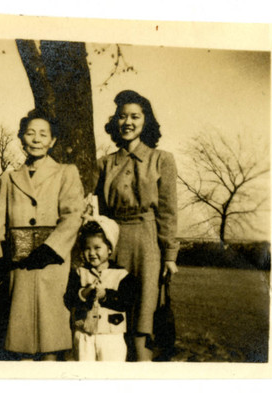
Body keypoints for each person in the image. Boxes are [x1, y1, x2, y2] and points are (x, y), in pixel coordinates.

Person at [0, 109, 84, 360]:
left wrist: (51, 248)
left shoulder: (66, 172)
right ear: (21, 138)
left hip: (51, 263)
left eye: (43, 134)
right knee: (21, 342)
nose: (37, 139)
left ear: (52, 141)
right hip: (18, 267)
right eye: (30, 133)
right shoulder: (8, 178)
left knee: (51, 340)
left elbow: (73, 216)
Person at [94, 90, 180, 361]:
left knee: (144, 316)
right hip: (113, 242)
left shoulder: (161, 159)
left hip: (147, 244)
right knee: (113, 313)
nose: (128, 122)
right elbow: (100, 212)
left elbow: (167, 212)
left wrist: (169, 256)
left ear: (146, 121)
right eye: (122, 116)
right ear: (115, 122)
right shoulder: (105, 164)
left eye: (135, 116)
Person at [65, 216, 136, 361]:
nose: (91, 253)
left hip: (111, 336)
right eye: (87, 248)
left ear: (109, 249)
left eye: (97, 248)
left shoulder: (121, 275)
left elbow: (127, 301)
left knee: (110, 373)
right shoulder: (79, 273)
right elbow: (69, 299)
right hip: (84, 334)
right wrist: (83, 294)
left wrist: (105, 295)